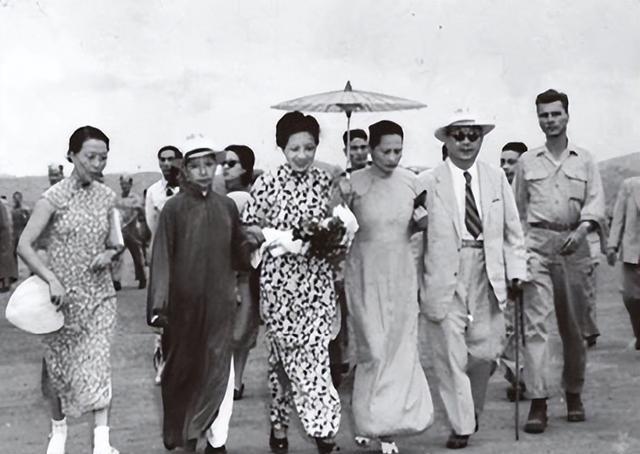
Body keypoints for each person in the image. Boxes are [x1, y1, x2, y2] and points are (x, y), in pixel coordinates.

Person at [416, 113, 526, 449]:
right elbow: (415, 238)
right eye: (459, 135)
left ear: (481, 140)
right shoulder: (426, 181)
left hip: (486, 269)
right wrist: (415, 281)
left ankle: (471, 409)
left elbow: (512, 230)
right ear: (446, 140)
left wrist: (516, 271)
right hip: (443, 272)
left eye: (472, 136)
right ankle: (461, 425)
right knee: (449, 355)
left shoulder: (496, 178)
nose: (466, 142)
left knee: (485, 350)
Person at [17, 125, 122, 454]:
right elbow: (24, 245)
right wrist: (51, 279)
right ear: (72, 156)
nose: (97, 164)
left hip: (100, 296)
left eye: (103, 158)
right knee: (58, 370)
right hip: (60, 300)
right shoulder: (53, 198)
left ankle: (102, 441)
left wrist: (109, 255)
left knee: (99, 362)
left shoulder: (107, 197)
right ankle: (58, 433)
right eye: (90, 157)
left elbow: (116, 242)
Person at [241, 111, 341, 454]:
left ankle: (323, 429)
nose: (302, 155)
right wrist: (277, 238)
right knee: (282, 359)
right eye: (294, 148)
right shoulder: (267, 183)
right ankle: (279, 423)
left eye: (309, 148)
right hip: (280, 285)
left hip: (316, 284)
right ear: (281, 148)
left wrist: (330, 234)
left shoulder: (326, 181)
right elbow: (248, 229)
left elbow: (339, 223)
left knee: (317, 356)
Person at [147, 134, 251, 453]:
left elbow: (239, 255)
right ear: (185, 170)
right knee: (184, 375)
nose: (204, 171)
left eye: (209, 164)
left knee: (218, 371)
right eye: (196, 166)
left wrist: (252, 240)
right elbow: (162, 258)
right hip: (183, 309)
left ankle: (215, 441)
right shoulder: (173, 209)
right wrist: (159, 307)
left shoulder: (227, 206)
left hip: (220, 305)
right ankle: (188, 439)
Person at [513, 89, 605, 434]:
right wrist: (518, 256)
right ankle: (538, 401)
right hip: (537, 247)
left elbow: (595, 203)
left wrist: (582, 231)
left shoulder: (585, 160)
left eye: (555, 114)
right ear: (538, 118)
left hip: (574, 247)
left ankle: (574, 393)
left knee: (574, 328)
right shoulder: (527, 162)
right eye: (544, 115)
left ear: (567, 115)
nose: (550, 120)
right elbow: (517, 213)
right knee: (535, 327)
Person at [343, 120, 433, 454]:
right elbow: (338, 231)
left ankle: (388, 428)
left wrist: (422, 221)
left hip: (401, 273)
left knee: (399, 348)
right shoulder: (352, 183)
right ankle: (368, 419)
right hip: (364, 273)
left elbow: (420, 222)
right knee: (373, 349)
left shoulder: (411, 182)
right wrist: (342, 203)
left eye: (398, 151)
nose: (393, 158)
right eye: (386, 151)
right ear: (370, 149)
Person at [222, 144, 261, 400]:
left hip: (237, 271)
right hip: (246, 271)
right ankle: (236, 381)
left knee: (236, 328)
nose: (225, 169)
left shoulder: (238, 199)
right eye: (224, 164)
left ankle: (232, 382)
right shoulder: (248, 197)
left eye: (232, 163)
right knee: (243, 328)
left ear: (245, 168)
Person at [145, 145, 182, 385]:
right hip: (163, 256)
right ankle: (162, 363)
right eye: (163, 160)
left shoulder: (189, 190)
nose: (167, 164)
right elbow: (152, 224)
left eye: (171, 159)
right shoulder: (153, 192)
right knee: (162, 313)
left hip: (187, 258)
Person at [497, 141, 528, 401]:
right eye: (502, 162)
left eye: (511, 162)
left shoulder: (532, 193)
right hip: (505, 267)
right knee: (509, 325)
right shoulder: (496, 193)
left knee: (531, 325)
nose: (506, 167)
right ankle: (516, 377)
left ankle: (532, 375)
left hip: (534, 263)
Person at [606, 176, 640, 350]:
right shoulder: (630, 186)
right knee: (630, 297)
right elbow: (618, 218)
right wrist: (612, 245)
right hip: (633, 252)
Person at [111, 174, 146, 290]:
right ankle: (116, 281)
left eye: (126, 184)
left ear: (130, 184)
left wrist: (141, 218)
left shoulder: (135, 198)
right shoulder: (118, 198)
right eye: (122, 184)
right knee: (117, 256)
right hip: (121, 230)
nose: (124, 186)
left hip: (132, 230)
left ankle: (142, 278)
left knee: (137, 255)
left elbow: (141, 210)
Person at [0, 194, 17, 292]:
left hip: (4, 237)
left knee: (4, 260)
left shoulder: (1, 205)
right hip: (6, 236)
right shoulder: (4, 205)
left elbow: (4, 224)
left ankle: (5, 284)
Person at [11, 191, 31, 257]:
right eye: (15, 199)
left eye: (18, 198)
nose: (17, 200)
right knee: (14, 254)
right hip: (15, 235)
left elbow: (29, 223)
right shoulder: (12, 211)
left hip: (21, 234)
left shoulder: (25, 210)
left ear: (21, 199)